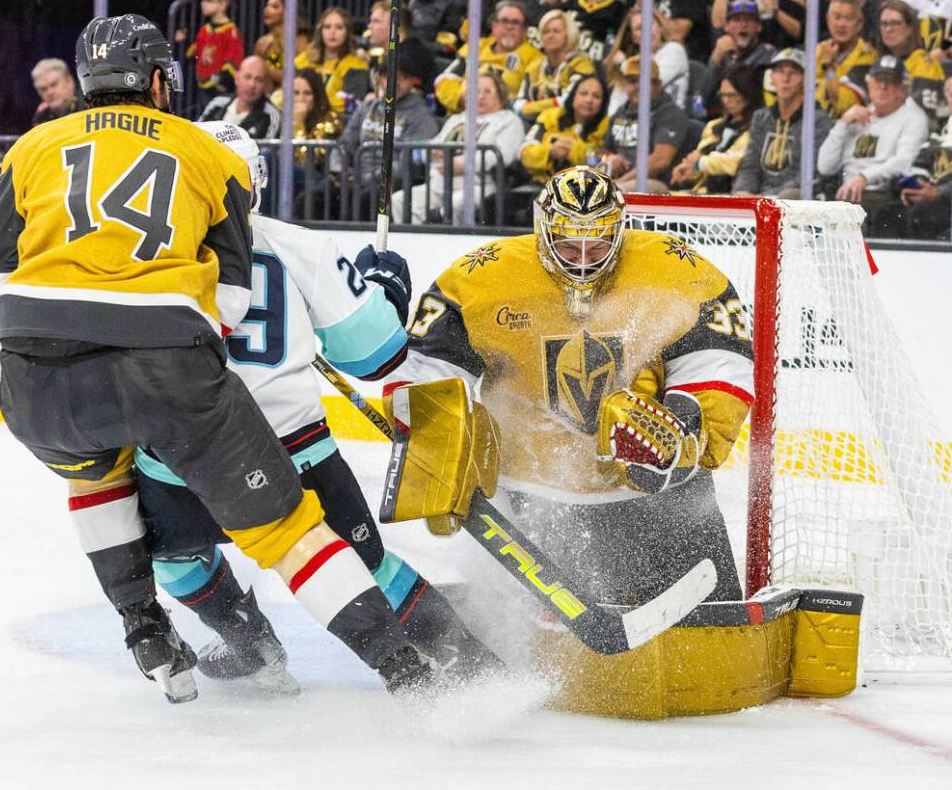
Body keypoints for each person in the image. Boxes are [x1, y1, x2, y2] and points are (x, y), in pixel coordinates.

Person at [0, 13, 434, 703]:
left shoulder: (29, 149)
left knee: (94, 474)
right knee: (287, 527)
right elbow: (230, 303)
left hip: (35, 379)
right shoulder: (205, 151)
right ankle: (405, 670)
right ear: (157, 79)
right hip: (167, 371)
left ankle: (145, 629)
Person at [143, 121, 501, 684]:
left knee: (174, 555)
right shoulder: (300, 247)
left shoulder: (143, 253)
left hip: (179, 459)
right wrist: (385, 288)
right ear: (256, 181)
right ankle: (472, 664)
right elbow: (376, 360)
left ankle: (250, 643)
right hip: (296, 454)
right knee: (364, 565)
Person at [387, 165, 751, 609]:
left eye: (596, 244)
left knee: (712, 632)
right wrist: (437, 451)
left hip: (657, 494)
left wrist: (686, 432)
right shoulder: (480, 277)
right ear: (543, 229)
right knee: (528, 636)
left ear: (619, 230)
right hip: (529, 493)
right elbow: (429, 370)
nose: (582, 259)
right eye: (568, 244)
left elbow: (720, 358)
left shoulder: (675, 266)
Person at [391, 70, 525, 224]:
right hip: (438, 186)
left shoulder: (508, 120)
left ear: (501, 95)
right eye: (475, 91)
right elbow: (434, 144)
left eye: (487, 91)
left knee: (456, 204)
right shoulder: (456, 119)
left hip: (478, 186)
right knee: (400, 200)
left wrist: (462, 164)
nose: (480, 96)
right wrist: (433, 152)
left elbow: (503, 155)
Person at [817, 53, 929, 235]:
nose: (883, 87)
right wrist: (843, 123)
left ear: (903, 88)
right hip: (843, 194)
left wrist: (864, 177)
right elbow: (824, 167)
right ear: (869, 84)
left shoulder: (913, 118)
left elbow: (904, 161)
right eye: (878, 80)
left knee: (849, 218)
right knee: (792, 199)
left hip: (880, 194)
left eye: (891, 81)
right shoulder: (858, 115)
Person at [333, 39, 441, 219]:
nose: (396, 82)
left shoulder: (421, 115)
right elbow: (344, 143)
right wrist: (339, 170)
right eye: (390, 76)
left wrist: (368, 177)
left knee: (366, 198)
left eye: (404, 77)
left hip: (389, 183)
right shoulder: (367, 108)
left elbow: (410, 162)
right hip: (355, 178)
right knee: (316, 196)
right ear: (379, 79)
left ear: (412, 82)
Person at [734, 48, 835, 198]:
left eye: (793, 73)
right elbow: (750, 164)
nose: (786, 79)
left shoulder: (818, 121)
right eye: (780, 71)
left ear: (805, 79)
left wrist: (767, 197)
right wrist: (742, 191)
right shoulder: (761, 117)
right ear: (772, 77)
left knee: (790, 194)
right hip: (758, 198)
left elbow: (809, 172)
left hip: (794, 200)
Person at [434, 1, 541, 114]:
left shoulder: (535, 58)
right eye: (504, 21)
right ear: (494, 26)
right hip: (462, 115)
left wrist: (490, 106)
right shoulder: (475, 46)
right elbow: (444, 79)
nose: (509, 27)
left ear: (524, 30)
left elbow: (525, 102)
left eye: (515, 22)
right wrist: (461, 99)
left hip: (502, 121)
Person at [600, 55, 688, 192]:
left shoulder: (670, 113)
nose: (637, 87)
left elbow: (659, 162)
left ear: (658, 85)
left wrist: (617, 184)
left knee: (612, 193)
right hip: (619, 181)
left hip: (656, 184)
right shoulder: (620, 113)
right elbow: (604, 151)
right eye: (631, 81)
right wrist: (611, 158)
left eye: (644, 81)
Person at [672, 65, 763, 194]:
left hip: (735, 193)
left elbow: (735, 162)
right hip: (704, 192)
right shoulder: (713, 126)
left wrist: (699, 162)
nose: (726, 101)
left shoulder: (758, 127)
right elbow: (700, 174)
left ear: (748, 95)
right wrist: (688, 173)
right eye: (723, 95)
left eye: (732, 95)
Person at [520, 74, 611, 183]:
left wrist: (574, 149)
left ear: (603, 103)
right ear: (573, 96)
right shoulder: (550, 116)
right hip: (541, 186)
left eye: (596, 96)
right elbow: (525, 152)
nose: (589, 100)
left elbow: (605, 161)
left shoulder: (608, 125)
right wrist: (550, 151)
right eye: (583, 93)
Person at [512, 9, 598, 125]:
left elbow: (570, 101)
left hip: (567, 124)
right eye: (546, 32)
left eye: (556, 31)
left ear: (568, 35)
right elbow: (519, 104)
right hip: (533, 123)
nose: (550, 36)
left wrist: (530, 107)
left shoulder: (581, 65)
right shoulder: (534, 67)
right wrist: (553, 102)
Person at [604, 6, 690, 115]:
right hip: (634, 122)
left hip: (667, 120)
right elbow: (618, 98)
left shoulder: (674, 50)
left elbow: (649, 83)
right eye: (639, 28)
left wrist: (623, 64)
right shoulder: (634, 60)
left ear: (659, 27)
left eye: (651, 24)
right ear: (634, 38)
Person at [701, 0, 777, 120]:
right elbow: (702, 101)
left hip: (755, 120)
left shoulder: (769, 56)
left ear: (758, 27)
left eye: (749, 20)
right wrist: (715, 58)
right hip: (723, 120)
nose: (743, 25)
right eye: (736, 20)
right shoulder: (721, 54)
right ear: (726, 27)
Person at [876, 0, 946, 127]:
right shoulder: (877, 63)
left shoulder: (925, 63)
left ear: (909, 29)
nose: (888, 29)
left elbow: (923, 114)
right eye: (884, 24)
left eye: (895, 23)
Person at [899, 74, 952, 238]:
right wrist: (918, 186)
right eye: (950, 92)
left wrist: (939, 192)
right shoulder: (940, 134)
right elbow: (920, 163)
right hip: (935, 198)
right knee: (897, 209)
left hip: (945, 198)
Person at [295, 7, 371, 117]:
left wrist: (312, 105)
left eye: (339, 27)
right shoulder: (304, 59)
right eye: (327, 27)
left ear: (347, 32)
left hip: (335, 122)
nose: (332, 32)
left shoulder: (357, 65)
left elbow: (349, 104)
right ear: (320, 31)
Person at [817, 0, 880, 119]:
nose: (841, 24)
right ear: (828, 20)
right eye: (837, 17)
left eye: (849, 18)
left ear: (860, 23)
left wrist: (827, 66)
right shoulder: (817, 50)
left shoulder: (868, 58)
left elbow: (842, 105)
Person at [197, 55, 281, 140]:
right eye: (247, 77)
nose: (252, 85)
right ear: (237, 78)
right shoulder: (217, 103)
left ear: (265, 85)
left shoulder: (271, 116)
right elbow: (196, 135)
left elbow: (267, 151)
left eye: (259, 80)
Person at [185, 0, 245, 108]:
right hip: (202, 84)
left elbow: (233, 59)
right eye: (202, 0)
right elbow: (195, 53)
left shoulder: (230, 31)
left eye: (209, 0)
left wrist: (222, 80)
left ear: (223, 4)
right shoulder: (204, 30)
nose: (203, 4)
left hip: (221, 88)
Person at [556, 0, 637, 62]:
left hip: (596, 62)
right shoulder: (571, 0)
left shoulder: (618, 8)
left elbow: (612, 39)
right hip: (566, 61)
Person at [711, 0, 807, 50]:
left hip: (783, 55)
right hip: (742, 55)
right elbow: (718, 25)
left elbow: (804, 34)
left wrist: (777, 13)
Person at [30, 58, 81, 127]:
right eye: (43, 89)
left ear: (69, 81)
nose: (49, 92)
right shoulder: (42, 115)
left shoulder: (90, 104)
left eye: (54, 84)